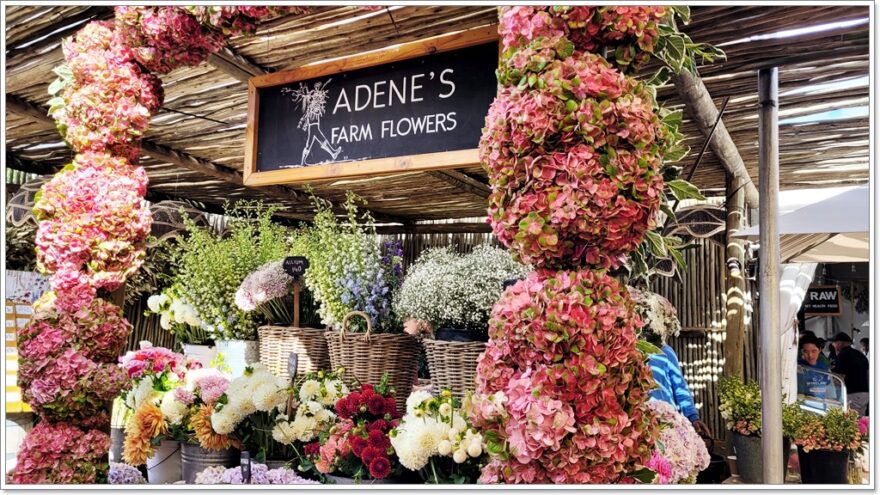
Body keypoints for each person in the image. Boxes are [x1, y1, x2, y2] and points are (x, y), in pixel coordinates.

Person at [647, 334, 712, 438]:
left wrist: (693, 417)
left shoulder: (665, 351)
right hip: (638, 422)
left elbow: (680, 386)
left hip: (665, 420)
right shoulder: (627, 351)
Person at [831, 332, 869, 415]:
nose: (833, 345)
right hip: (865, 394)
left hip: (852, 394)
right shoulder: (860, 354)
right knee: (861, 422)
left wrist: (835, 394)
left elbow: (839, 377)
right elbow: (867, 374)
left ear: (839, 343)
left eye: (834, 343)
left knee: (851, 422)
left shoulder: (843, 355)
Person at [797, 335, 835, 400]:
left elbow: (831, 393)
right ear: (801, 351)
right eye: (806, 351)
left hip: (822, 405)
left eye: (814, 351)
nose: (810, 355)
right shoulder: (797, 367)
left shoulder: (824, 368)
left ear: (819, 350)